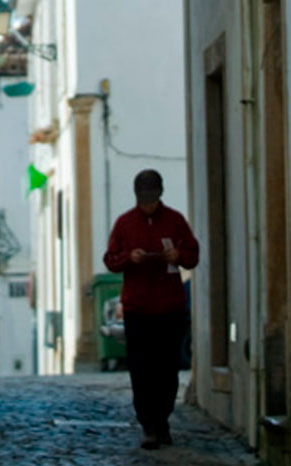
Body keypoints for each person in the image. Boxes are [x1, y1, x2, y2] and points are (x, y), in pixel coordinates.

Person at [103, 169, 199, 450]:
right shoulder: (125, 223)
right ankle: (149, 425)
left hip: (170, 307)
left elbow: (193, 255)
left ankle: (162, 419)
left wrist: (178, 256)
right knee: (141, 369)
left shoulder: (175, 221)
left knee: (167, 368)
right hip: (138, 308)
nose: (148, 205)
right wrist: (129, 258)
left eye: (152, 200)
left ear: (159, 195)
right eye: (144, 200)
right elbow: (110, 260)